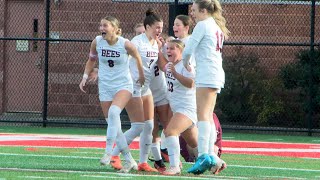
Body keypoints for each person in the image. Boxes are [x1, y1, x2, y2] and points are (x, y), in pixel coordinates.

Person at [79, 16, 145, 173]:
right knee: (113, 124)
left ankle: (108, 152)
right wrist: (84, 77)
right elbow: (91, 60)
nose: (102, 28)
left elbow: (138, 59)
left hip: (123, 84)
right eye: (100, 25)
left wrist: (141, 76)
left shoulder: (125, 44)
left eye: (105, 25)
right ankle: (129, 160)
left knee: (114, 112)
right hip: (105, 85)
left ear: (115, 29)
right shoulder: (97, 41)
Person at [109, 8, 164, 172]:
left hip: (145, 89)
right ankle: (114, 154)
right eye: (157, 27)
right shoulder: (137, 42)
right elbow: (122, 59)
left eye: (161, 27)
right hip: (132, 87)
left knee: (149, 126)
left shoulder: (156, 43)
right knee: (138, 126)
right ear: (147, 27)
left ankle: (143, 162)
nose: (159, 31)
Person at [182, 0, 230, 175]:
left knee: (202, 115)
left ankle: (203, 156)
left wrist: (186, 63)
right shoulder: (215, 25)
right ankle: (212, 156)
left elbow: (188, 49)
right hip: (215, 72)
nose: (192, 13)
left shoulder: (203, 25)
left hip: (207, 73)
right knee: (207, 116)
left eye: (194, 10)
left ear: (203, 10)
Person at [156, 39, 198, 175]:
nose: (169, 51)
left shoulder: (185, 65)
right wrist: (156, 47)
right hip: (177, 109)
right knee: (194, 143)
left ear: (181, 51)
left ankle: (175, 167)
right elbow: (162, 64)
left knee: (170, 132)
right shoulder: (169, 64)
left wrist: (175, 74)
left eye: (172, 48)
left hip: (187, 108)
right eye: (167, 48)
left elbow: (190, 83)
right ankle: (215, 160)